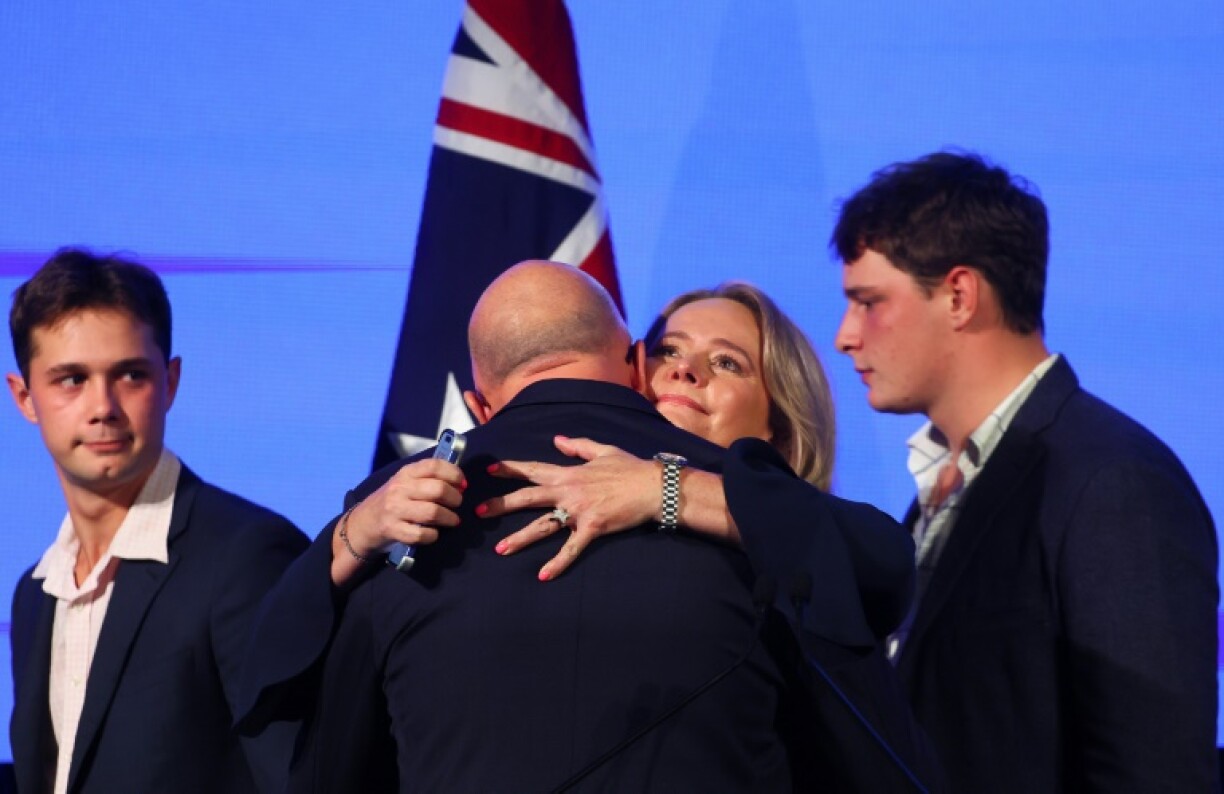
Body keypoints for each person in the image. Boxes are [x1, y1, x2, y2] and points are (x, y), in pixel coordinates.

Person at [237, 261, 938, 792]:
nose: (683, 374)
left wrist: (670, 490)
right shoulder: (392, 509)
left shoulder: (779, 526)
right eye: (669, 352)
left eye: (727, 363)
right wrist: (350, 535)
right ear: (636, 366)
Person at [831, 151, 1219, 792]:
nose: (845, 335)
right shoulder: (940, 480)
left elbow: (1154, 771)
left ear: (959, 295)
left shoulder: (1113, 482)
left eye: (869, 302)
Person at [6, 249, 309, 794]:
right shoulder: (34, 593)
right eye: (71, 379)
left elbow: (300, 780)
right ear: (25, 397)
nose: (103, 406)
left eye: (129, 375)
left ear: (169, 383)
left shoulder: (247, 557)